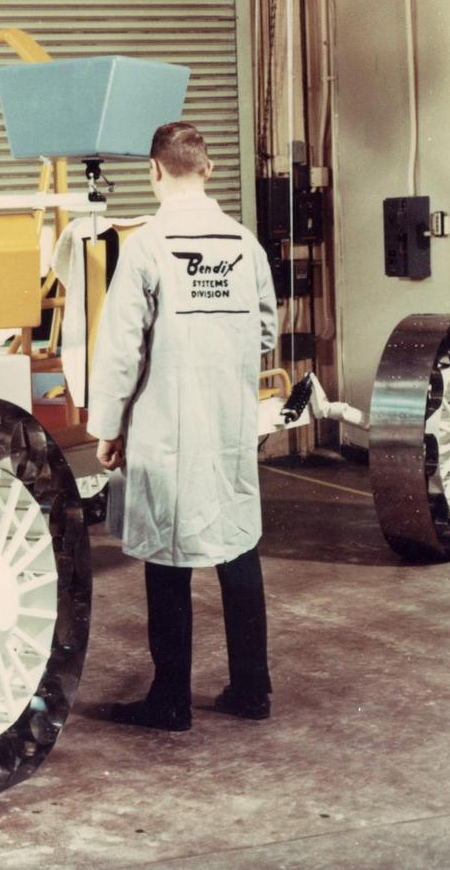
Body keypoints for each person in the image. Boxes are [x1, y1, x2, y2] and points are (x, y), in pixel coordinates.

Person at [86, 121, 278, 731]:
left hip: (167, 427)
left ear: (154, 171)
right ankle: (252, 690)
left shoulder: (146, 244)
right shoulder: (244, 244)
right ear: (209, 170)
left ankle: (170, 699)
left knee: (168, 558)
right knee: (237, 546)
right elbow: (267, 332)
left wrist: (107, 426)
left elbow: (121, 350)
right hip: (228, 426)